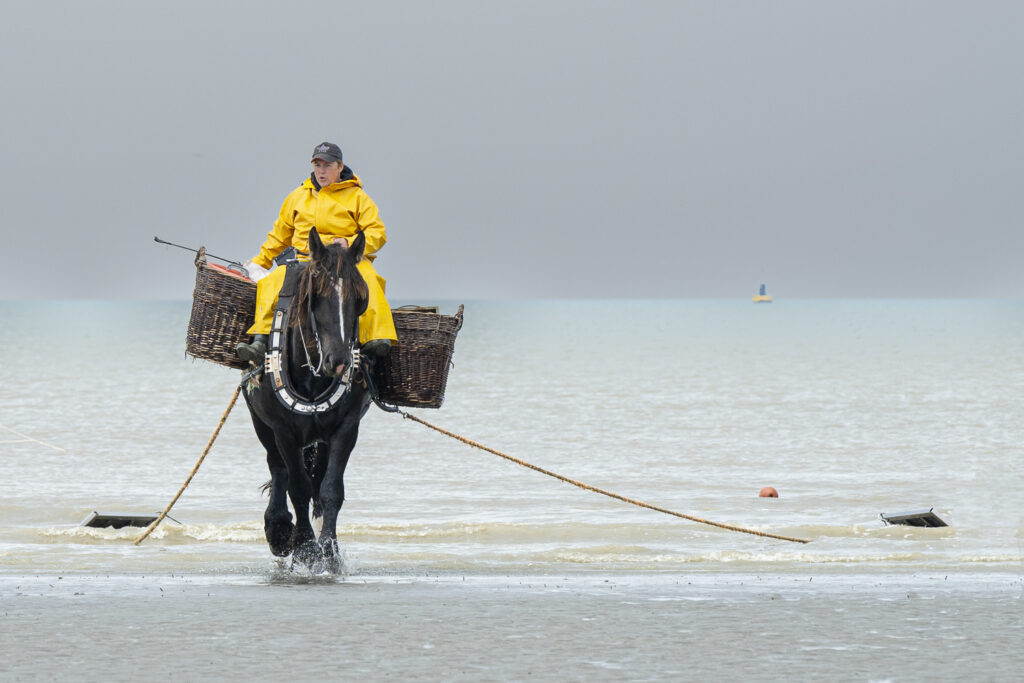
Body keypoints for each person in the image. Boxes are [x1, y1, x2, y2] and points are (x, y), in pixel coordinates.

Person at [236, 142, 397, 362]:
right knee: (271, 282)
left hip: (345, 261)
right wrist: (259, 262)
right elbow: (279, 235)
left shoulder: (359, 197)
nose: (321, 170)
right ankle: (260, 341)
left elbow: (377, 232)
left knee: (370, 278)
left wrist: (349, 242)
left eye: (327, 165)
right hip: (305, 260)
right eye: (317, 164)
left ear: (340, 167)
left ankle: (376, 338)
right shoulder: (297, 196)